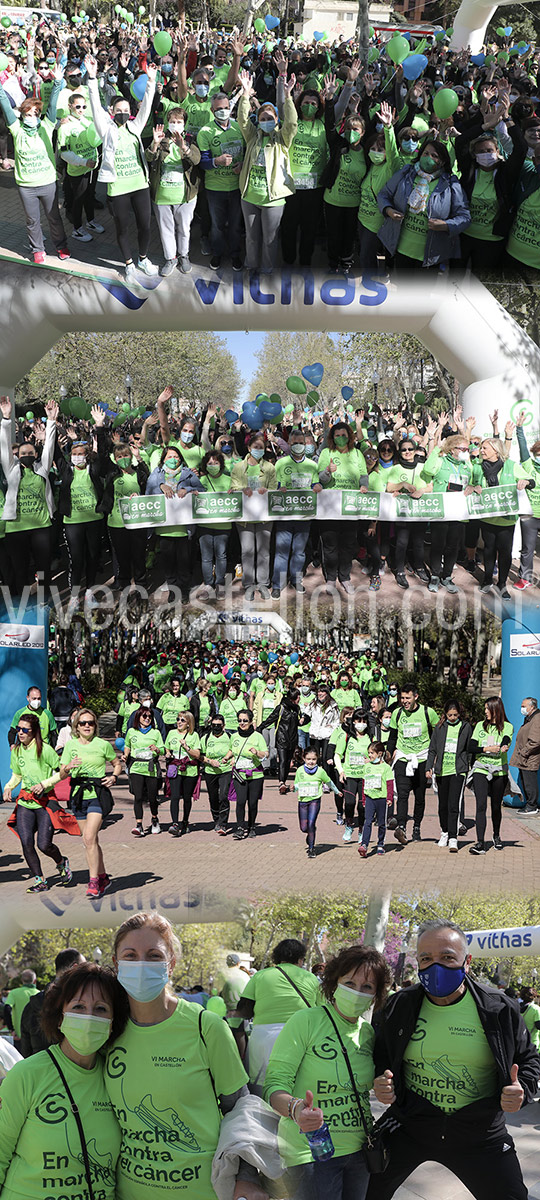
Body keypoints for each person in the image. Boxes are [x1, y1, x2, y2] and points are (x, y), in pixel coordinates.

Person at [368, 918, 540, 1200]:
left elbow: (530, 1060)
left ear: (467, 961)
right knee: (363, 1189)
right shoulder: (401, 1004)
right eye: (426, 958)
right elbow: (383, 1054)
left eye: (448, 957)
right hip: (410, 1125)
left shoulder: (499, 1008)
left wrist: (522, 1088)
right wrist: (382, 1080)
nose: (436, 966)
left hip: (480, 1133)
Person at [107, 912, 264, 1200]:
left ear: (171, 964)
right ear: (116, 965)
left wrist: (247, 1179)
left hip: (200, 1191)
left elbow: (240, 1110)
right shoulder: (108, 1031)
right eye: (130, 955)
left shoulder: (208, 1028)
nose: (141, 963)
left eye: (154, 955)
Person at [265, 944, 392, 1200]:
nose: (357, 992)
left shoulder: (367, 1033)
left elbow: (367, 1087)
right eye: (350, 982)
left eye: (367, 987)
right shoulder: (305, 1021)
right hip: (311, 1153)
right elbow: (274, 1086)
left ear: (376, 995)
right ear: (334, 982)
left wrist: (384, 1088)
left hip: (360, 1152)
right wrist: (296, 1109)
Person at [0, 962, 129, 1200]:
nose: (89, 1017)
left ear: (113, 1022)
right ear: (60, 1017)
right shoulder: (27, 1075)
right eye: (78, 1006)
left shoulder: (118, 1079)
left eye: (101, 1008)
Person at [85, 54, 159, 282]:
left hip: (140, 185)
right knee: (123, 229)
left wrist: (151, 81)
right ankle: (128, 263)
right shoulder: (106, 129)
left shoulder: (135, 128)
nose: (124, 113)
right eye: (119, 110)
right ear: (111, 111)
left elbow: (146, 106)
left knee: (145, 226)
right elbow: (95, 104)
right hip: (118, 188)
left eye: (127, 109)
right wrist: (91, 76)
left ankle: (143, 258)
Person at [0, 63, 70, 264]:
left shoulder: (47, 126)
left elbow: (53, 104)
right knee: (32, 221)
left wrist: (57, 82)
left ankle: (61, 245)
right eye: (27, 114)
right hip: (26, 186)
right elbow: (4, 102)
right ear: (22, 116)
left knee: (54, 218)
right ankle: (38, 249)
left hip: (48, 183)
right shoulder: (16, 129)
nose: (31, 118)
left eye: (35, 114)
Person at [237, 938, 322, 1093]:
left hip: (263, 1039)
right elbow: (322, 1012)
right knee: (297, 1087)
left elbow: (243, 1010)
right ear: (301, 959)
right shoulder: (311, 979)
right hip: (301, 1038)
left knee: (261, 1089)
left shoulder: (260, 976)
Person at [3, 713, 74, 893]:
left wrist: (44, 784)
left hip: (45, 802)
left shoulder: (46, 750)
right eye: (18, 729)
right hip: (26, 802)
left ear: (33, 731)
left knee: (44, 845)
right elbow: (17, 774)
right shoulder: (17, 751)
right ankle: (39, 880)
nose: (20, 733)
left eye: (24, 730)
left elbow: (62, 773)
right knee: (26, 842)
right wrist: (8, 787)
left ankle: (61, 862)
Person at [237, 67, 298, 273]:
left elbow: (291, 123)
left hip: (273, 199)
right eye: (262, 118)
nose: (266, 122)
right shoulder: (252, 137)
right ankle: (252, 267)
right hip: (250, 197)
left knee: (270, 240)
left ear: (276, 120)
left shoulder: (282, 139)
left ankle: (267, 271)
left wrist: (288, 97)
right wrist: (245, 95)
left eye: (270, 118)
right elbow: (243, 121)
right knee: (252, 238)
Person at [378, 138, 470, 270]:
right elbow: (384, 194)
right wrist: (388, 210)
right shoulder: (406, 174)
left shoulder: (450, 184)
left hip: (430, 257)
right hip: (402, 249)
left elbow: (464, 217)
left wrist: (446, 225)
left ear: (442, 162)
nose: (428, 157)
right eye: (426, 153)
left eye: (434, 156)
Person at [59, 707, 122, 897]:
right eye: (83, 723)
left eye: (91, 723)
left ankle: (93, 881)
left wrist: (114, 777)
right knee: (90, 840)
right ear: (76, 726)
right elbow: (62, 773)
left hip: (97, 793)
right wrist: (68, 767)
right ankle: (103, 876)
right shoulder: (70, 746)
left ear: (96, 725)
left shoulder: (102, 745)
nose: (87, 726)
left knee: (88, 837)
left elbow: (117, 763)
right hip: (78, 795)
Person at [0, 396, 58, 596]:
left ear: (35, 454)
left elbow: (49, 446)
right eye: (22, 452)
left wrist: (51, 421)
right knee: (20, 570)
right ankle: (20, 604)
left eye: (30, 452)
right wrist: (6, 418)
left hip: (41, 527)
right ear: (17, 456)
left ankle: (44, 599)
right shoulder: (11, 470)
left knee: (43, 570)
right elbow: (5, 445)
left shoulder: (42, 469)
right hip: (16, 529)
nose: (26, 454)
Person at [477, 435, 532, 598]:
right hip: (486, 517)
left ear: (496, 450)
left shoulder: (511, 465)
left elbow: (531, 481)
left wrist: (525, 482)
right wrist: (475, 487)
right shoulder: (479, 467)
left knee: (505, 552)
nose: (481, 451)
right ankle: (487, 580)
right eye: (481, 448)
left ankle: (502, 584)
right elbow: (472, 485)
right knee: (488, 550)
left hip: (506, 521)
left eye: (484, 448)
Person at [146, 114, 201, 276]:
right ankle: (170, 258)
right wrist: (155, 143)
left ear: (184, 123)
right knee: (166, 230)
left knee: (184, 228)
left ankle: (184, 255)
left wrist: (184, 147)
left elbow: (196, 160)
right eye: (172, 122)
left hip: (185, 195)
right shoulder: (161, 139)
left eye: (179, 122)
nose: (175, 125)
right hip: (162, 195)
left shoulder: (190, 139)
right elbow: (149, 157)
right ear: (167, 123)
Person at [317, 421, 368, 593]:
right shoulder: (326, 452)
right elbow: (321, 480)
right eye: (337, 435)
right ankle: (331, 578)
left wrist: (364, 486)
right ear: (332, 437)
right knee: (330, 545)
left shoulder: (356, 453)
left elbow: (363, 474)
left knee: (348, 544)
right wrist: (327, 471)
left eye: (344, 435)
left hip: (351, 506)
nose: (341, 438)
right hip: (329, 506)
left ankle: (344, 577)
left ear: (349, 436)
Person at [197, 91, 245, 270]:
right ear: (212, 109)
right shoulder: (205, 132)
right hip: (215, 188)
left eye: (226, 108)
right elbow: (202, 162)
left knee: (234, 226)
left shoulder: (239, 128)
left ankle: (234, 254)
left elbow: (248, 153)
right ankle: (217, 254)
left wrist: (242, 163)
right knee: (217, 226)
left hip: (236, 187)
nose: (223, 111)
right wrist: (215, 162)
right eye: (219, 109)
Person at [387, 684, 439, 844]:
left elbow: (437, 734)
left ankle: (417, 826)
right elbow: (393, 736)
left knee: (420, 796)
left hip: (422, 759)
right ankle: (401, 826)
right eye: (402, 698)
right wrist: (389, 752)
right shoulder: (397, 713)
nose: (404, 701)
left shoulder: (427, 712)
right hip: (403, 758)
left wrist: (434, 757)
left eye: (407, 698)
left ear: (416, 697)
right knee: (402, 795)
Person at [230, 434, 276, 599]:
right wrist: (242, 488)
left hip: (264, 517)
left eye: (261, 447)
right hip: (244, 519)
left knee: (264, 551)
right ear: (249, 448)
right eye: (255, 447)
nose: (258, 450)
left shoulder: (269, 468)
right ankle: (248, 585)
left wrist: (267, 491)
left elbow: (273, 489)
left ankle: (263, 584)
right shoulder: (238, 467)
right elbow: (233, 486)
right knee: (247, 551)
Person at [19, 947, 86, 1058]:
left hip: (38, 1070)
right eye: (84, 968)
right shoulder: (80, 1005)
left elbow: (25, 1052)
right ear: (75, 967)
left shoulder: (31, 1006)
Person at [469, 697, 514, 855]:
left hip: (499, 771)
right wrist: (487, 749)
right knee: (481, 805)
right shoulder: (480, 726)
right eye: (485, 708)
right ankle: (480, 842)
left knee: (496, 806)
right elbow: (471, 747)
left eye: (488, 708)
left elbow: (507, 739)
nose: (485, 711)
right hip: (481, 769)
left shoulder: (507, 726)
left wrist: (503, 746)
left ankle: (496, 835)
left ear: (496, 709)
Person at [426, 700, 472, 852]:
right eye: (450, 715)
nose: (452, 717)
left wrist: (467, 765)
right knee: (443, 805)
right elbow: (432, 749)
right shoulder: (440, 727)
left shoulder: (465, 727)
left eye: (455, 715)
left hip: (458, 771)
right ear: (445, 714)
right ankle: (444, 832)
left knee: (454, 805)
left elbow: (469, 748)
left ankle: (453, 837)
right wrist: (429, 767)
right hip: (441, 771)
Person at [293, 746, 342, 858]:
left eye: (314, 759)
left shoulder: (320, 771)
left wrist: (337, 791)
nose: (311, 762)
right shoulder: (300, 770)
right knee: (304, 828)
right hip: (303, 801)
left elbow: (329, 782)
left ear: (317, 759)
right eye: (309, 759)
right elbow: (297, 785)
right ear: (304, 758)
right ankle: (311, 831)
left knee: (311, 823)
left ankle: (311, 848)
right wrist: (293, 788)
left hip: (315, 800)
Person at [225, 709, 267, 839]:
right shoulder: (234, 736)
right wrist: (227, 757)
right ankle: (240, 827)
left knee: (253, 803)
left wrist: (257, 753)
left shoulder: (258, 736)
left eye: (245, 721)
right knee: (241, 801)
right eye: (240, 720)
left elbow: (266, 754)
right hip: (239, 774)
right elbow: (232, 749)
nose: (242, 723)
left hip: (255, 775)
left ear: (250, 722)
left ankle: (252, 826)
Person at [123, 706, 165, 838]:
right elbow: (127, 745)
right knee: (138, 797)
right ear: (138, 718)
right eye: (144, 716)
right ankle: (139, 825)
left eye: (149, 717)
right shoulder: (131, 731)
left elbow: (163, 749)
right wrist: (125, 755)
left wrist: (157, 749)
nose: (147, 719)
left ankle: (154, 819)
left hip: (150, 768)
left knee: (152, 798)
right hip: (136, 768)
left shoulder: (155, 733)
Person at [164, 710, 201, 836]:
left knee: (186, 798)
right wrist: (167, 753)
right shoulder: (171, 733)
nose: (179, 722)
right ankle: (175, 823)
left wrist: (186, 747)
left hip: (189, 770)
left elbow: (197, 754)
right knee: (174, 796)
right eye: (178, 719)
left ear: (189, 723)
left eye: (182, 720)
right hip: (175, 768)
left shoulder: (194, 735)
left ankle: (185, 821)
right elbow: (167, 746)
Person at [357, 740, 395, 858]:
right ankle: (364, 844)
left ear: (379, 754)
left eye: (372, 753)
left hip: (382, 799)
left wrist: (389, 798)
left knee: (381, 823)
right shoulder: (367, 767)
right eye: (369, 753)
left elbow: (389, 783)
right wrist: (363, 798)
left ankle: (380, 844)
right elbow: (364, 783)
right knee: (367, 821)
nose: (370, 755)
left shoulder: (386, 768)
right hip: (369, 798)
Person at [199, 710, 232, 833]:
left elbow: (234, 750)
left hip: (226, 770)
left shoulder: (229, 737)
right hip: (210, 771)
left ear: (223, 726)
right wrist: (209, 761)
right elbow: (200, 755)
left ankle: (223, 823)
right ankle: (216, 820)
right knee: (213, 797)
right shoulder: (205, 738)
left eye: (219, 725)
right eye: (214, 725)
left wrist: (231, 758)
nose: (216, 728)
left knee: (223, 796)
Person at [511, 697, 540, 816]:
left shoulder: (537, 719)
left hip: (530, 757)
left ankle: (532, 805)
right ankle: (529, 804)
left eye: (524, 706)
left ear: (532, 707)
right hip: (525, 757)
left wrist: (524, 751)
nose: (522, 708)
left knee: (530, 782)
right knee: (525, 781)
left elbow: (536, 740)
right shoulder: (529, 718)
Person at [3, 971, 38, 1053]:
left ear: (22, 980)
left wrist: (11, 1029)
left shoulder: (14, 993)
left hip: (19, 1036)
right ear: (35, 981)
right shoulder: (39, 994)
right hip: (36, 1036)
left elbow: (7, 1009)